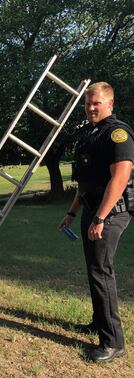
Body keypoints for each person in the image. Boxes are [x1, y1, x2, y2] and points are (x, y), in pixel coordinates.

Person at [59, 81, 132, 363]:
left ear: (110, 104)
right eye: (87, 104)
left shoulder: (117, 133)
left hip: (111, 212)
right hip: (92, 208)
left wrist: (101, 217)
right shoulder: (91, 134)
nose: (90, 108)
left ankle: (113, 341)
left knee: (102, 270)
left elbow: (121, 176)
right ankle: (98, 322)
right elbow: (85, 183)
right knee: (93, 269)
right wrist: (73, 212)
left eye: (96, 104)